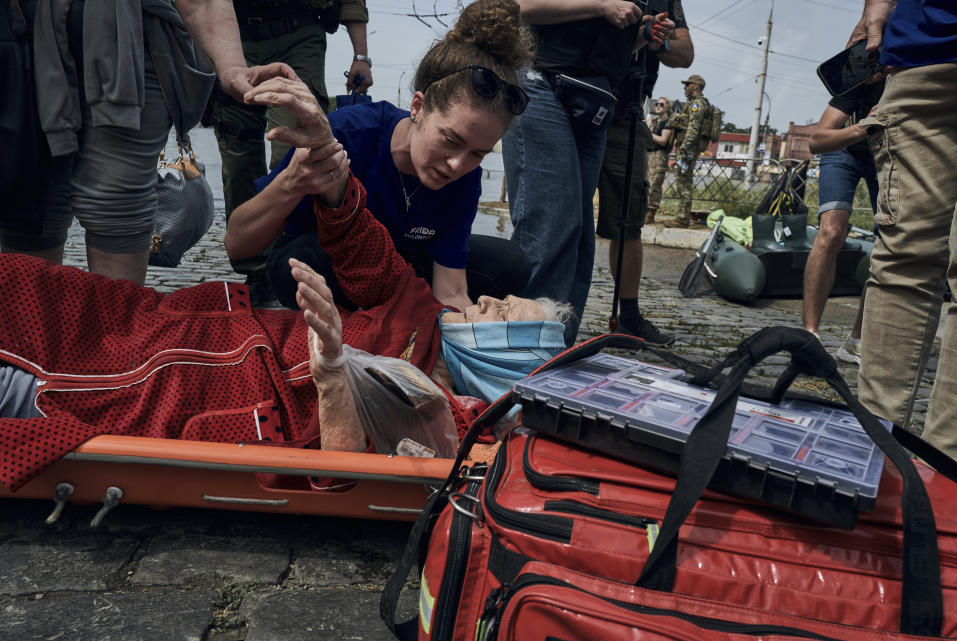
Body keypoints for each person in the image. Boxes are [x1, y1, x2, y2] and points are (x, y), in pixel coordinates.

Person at [0, 153, 569, 493]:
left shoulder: (450, 418)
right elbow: (367, 252)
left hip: (206, 383)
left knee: (60, 380)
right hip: (201, 327)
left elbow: (345, 473)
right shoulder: (426, 311)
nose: (487, 303)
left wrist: (331, 371)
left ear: (506, 356)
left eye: (503, 314)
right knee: (45, 290)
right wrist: (333, 178)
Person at [224, 0, 533, 313]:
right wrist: (292, 182)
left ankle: (400, 313)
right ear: (418, 107)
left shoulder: (465, 176)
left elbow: (451, 289)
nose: (457, 164)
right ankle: (378, 314)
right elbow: (237, 243)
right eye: (451, 140)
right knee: (303, 262)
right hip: (326, 256)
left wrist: (468, 339)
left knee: (511, 262)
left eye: (478, 153)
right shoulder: (348, 132)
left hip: (400, 264)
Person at [0, 0, 297, 286]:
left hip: (135, 47)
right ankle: (31, 333)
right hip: (23, 39)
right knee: (30, 201)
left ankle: (115, 334)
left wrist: (231, 67)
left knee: (117, 203)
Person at [502, 0, 672, 346]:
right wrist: (602, 6)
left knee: (578, 234)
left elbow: (609, 44)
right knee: (548, 224)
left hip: (592, 95)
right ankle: (520, 347)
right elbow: (516, 7)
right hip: (541, 80)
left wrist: (640, 35)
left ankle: (555, 347)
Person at [849, 0, 957, 454]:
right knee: (899, 262)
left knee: (901, 267)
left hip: (924, 49)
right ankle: (868, 458)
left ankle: (945, 477)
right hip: (925, 54)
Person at [210, 0, 372, 303]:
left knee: (294, 151)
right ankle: (255, 271)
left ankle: (291, 262)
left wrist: (360, 55)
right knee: (238, 156)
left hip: (298, 34)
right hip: (233, 38)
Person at [595, 2, 692, 346]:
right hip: (575, 100)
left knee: (628, 220)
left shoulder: (665, 0)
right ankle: (545, 308)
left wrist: (656, 40)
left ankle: (629, 316)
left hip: (627, 115)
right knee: (563, 214)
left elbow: (685, 53)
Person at [802, 80, 883, 365]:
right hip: (844, 149)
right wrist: (862, 127)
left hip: (886, 154)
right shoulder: (864, 81)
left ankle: (856, 341)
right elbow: (816, 140)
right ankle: (809, 334)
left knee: (888, 244)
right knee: (831, 233)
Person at [663, 73, 710, 229]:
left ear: (695, 86)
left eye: (687, 84)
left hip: (688, 149)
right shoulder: (692, 103)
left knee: (684, 182)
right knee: (683, 181)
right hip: (686, 148)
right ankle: (682, 217)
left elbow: (693, 128)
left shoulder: (697, 105)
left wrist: (684, 148)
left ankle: (682, 219)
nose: (685, 87)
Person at [645, 96, 674, 224]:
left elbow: (663, 141)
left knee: (654, 184)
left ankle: (651, 213)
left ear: (667, 106)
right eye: (656, 104)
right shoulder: (655, 121)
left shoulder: (668, 122)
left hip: (659, 155)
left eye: (661, 104)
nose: (657, 106)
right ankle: (644, 210)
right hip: (649, 154)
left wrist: (649, 133)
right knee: (645, 183)